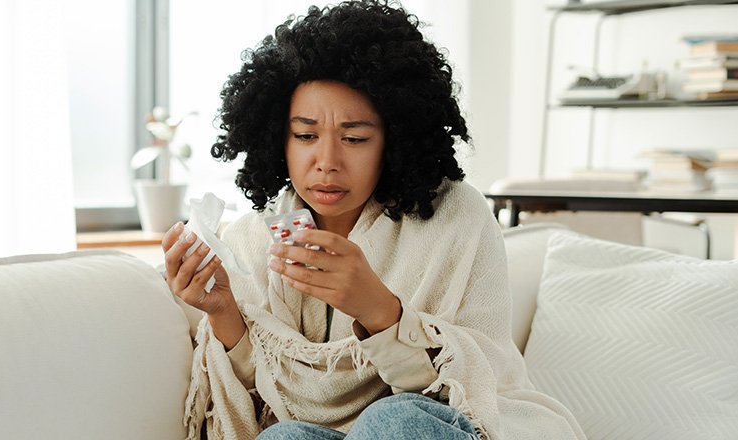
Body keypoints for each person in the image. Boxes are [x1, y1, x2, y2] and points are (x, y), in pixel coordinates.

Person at [161, 1, 585, 439]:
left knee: (394, 420)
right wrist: (222, 311)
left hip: (431, 427)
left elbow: (473, 391)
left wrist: (379, 310)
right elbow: (263, 403)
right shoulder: (253, 236)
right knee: (284, 437)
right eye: (305, 135)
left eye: (355, 138)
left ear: (394, 138)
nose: (326, 161)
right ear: (276, 138)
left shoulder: (457, 217)